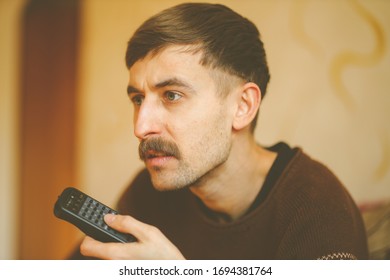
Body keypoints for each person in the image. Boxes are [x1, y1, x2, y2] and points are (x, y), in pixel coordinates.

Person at [73, 2, 368, 260]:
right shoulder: (149, 193)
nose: (141, 127)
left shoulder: (315, 207)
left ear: (242, 106)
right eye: (138, 99)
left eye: (172, 95)